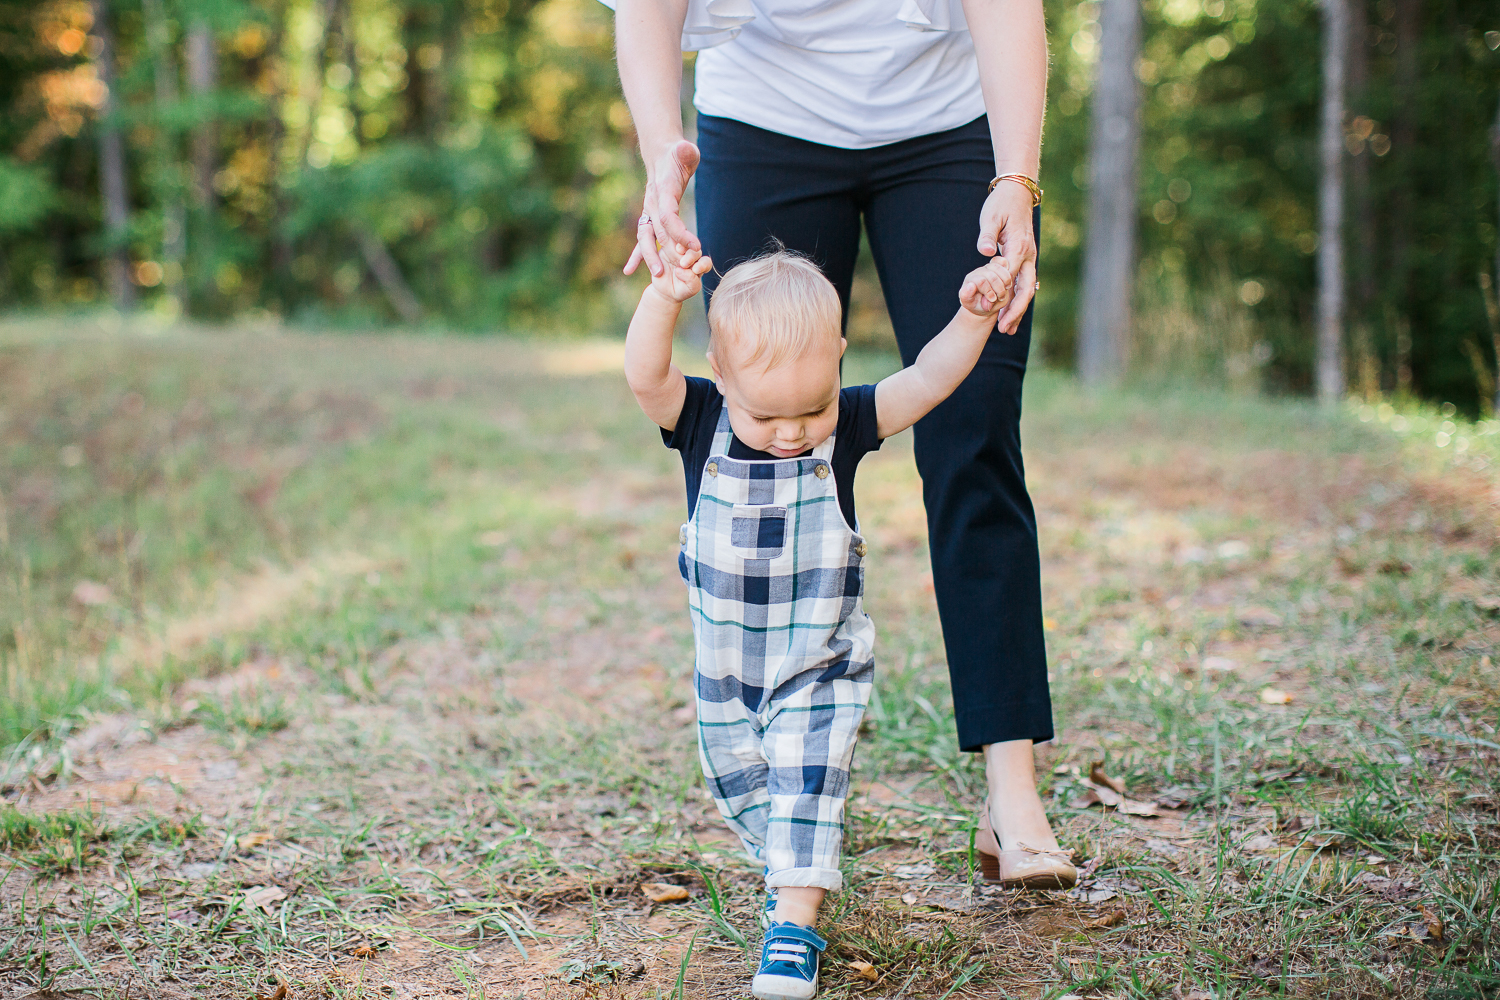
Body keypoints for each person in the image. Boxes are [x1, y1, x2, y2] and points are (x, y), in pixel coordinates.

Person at [609, 0, 1076, 892]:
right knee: (754, 439)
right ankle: (780, 768)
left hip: (948, 125)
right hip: (763, 118)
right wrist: (661, 152)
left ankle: (1013, 792)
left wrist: (1016, 178)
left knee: (973, 431)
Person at [624, 246, 1013, 1000]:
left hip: (818, 664)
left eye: (813, 407)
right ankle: (790, 868)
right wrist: (664, 299)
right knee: (746, 794)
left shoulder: (852, 424)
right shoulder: (701, 418)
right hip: (726, 678)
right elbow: (646, 375)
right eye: (766, 414)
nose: (794, 432)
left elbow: (929, 379)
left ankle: (793, 930)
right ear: (722, 374)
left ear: (837, 359)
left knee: (806, 782)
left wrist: (972, 318)